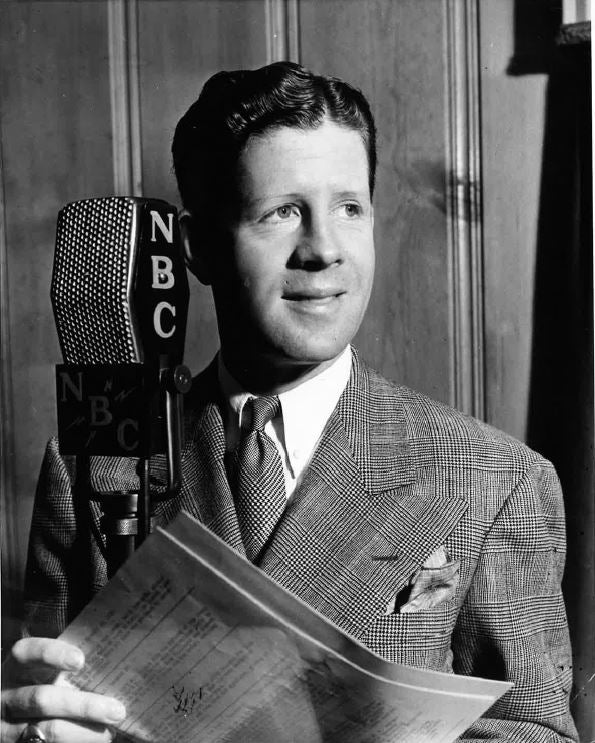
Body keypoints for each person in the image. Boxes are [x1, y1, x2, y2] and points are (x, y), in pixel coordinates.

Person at [2, 62, 577, 743]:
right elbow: (51, 697)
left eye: (348, 208)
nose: (324, 249)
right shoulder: (93, 466)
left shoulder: (495, 479)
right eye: (281, 212)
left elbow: (537, 730)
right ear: (199, 248)